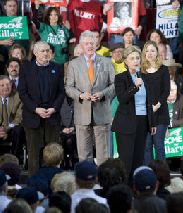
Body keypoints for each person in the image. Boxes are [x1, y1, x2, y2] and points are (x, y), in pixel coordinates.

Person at [65, 30, 115, 165]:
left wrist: (103, 94)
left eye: (92, 43)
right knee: (84, 154)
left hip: (102, 112)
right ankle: (85, 182)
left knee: (103, 155)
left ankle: (104, 181)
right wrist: (80, 95)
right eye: (86, 43)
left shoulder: (107, 62)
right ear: (81, 45)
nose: (90, 46)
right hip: (82, 113)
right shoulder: (73, 64)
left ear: (96, 44)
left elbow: (114, 85)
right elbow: (68, 87)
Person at [18, 41, 64, 175]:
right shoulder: (26, 68)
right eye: (43, 51)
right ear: (35, 53)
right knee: (33, 154)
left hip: (52, 117)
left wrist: (54, 108)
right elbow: (23, 92)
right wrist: (35, 109)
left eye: (48, 50)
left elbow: (61, 92)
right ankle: (34, 184)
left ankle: (54, 181)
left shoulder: (57, 68)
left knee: (53, 153)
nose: (46, 53)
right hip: (33, 117)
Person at [112, 45, 151, 176]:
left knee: (138, 160)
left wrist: (152, 122)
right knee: (126, 161)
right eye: (132, 58)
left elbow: (149, 101)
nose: (135, 61)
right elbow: (122, 98)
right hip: (126, 124)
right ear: (126, 61)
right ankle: (124, 189)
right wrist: (135, 86)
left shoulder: (145, 77)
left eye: (137, 58)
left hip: (142, 121)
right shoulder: (121, 78)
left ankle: (136, 190)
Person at [142, 41, 170, 165]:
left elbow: (166, 90)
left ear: (157, 53)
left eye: (152, 50)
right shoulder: (140, 71)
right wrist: (149, 108)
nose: (149, 53)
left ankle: (162, 176)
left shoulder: (163, 69)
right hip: (146, 113)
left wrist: (158, 104)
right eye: (147, 50)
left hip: (160, 113)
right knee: (146, 146)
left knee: (159, 145)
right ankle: (147, 175)